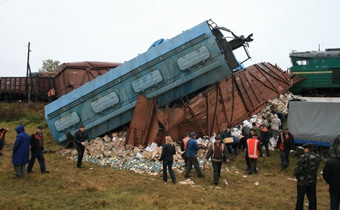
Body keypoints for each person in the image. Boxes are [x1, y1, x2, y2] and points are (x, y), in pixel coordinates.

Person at [294, 143, 322, 210]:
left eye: (304, 148)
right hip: (312, 181)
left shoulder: (304, 157)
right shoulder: (317, 157)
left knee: (300, 198)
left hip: (302, 181)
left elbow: (298, 169)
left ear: (307, 149)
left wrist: (296, 175)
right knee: (312, 198)